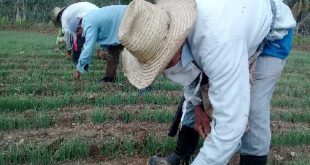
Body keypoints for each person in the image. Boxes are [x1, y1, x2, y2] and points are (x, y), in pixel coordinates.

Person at [118, 0, 296, 164]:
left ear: (175, 40)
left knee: (252, 111)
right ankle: (181, 155)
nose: (165, 70)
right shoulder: (176, 27)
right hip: (234, 31)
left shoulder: (217, 41)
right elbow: (189, 78)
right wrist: (197, 107)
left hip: (272, 36)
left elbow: (231, 125)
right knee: (198, 98)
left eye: (164, 61)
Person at [69, 5, 127, 83]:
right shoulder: (89, 17)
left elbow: (88, 48)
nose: (79, 35)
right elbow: (106, 30)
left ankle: (142, 83)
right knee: (113, 48)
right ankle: (109, 78)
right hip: (119, 21)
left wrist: (78, 69)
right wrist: (104, 49)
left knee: (135, 50)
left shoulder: (88, 24)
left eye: (77, 33)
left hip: (127, 18)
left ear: (79, 27)